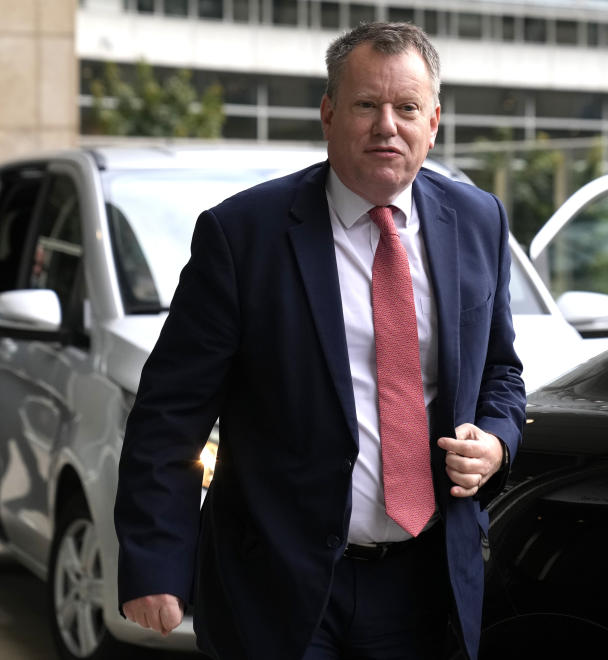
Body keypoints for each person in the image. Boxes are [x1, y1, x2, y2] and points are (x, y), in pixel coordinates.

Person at [114, 22, 526, 660]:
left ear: (435, 120)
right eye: (366, 105)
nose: (387, 125)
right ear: (329, 114)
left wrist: (496, 439)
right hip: (278, 588)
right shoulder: (242, 235)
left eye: (406, 108)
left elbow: (501, 370)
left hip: (426, 581)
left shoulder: (478, 220)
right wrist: (155, 561)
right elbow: (170, 413)